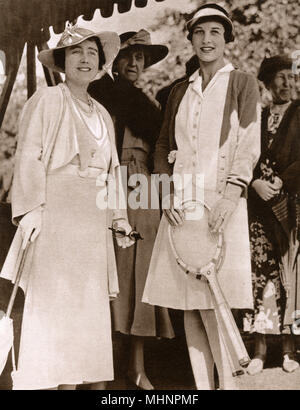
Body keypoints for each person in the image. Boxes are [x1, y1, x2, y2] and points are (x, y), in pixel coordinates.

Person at [0, 25, 134, 390]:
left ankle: (79, 382)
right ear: (62, 61)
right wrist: (32, 210)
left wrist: (119, 217)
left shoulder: (103, 114)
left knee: (86, 310)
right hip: (55, 217)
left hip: (91, 225)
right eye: (76, 52)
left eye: (92, 52)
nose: (85, 59)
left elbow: (112, 173)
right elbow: (28, 155)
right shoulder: (47, 100)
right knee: (54, 307)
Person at [142, 4, 261, 390]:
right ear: (190, 39)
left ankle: (229, 385)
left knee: (217, 304)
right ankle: (202, 387)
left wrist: (231, 194)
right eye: (199, 33)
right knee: (189, 306)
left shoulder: (243, 84)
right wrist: (165, 192)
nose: (207, 40)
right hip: (182, 205)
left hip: (221, 205)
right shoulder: (179, 91)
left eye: (215, 32)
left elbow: (248, 142)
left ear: (227, 39)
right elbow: (162, 145)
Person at [89, 30, 174, 390]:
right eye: (128, 55)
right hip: (105, 182)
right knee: (104, 269)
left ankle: (137, 367)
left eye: (141, 58)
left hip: (143, 186)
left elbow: (162, 143)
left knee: (139, 271)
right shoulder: (97, 92)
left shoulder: (148, 104)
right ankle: (99, 365)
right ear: (114, 59)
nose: (135, 64)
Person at [245, 55, 300, 375]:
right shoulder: (257, 116)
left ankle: (290, 351)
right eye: (279, 78)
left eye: (290, 76)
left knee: (291, 274)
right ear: (265, 84)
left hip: (292, 207)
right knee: (261, 274)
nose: (287, 83)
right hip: (259, 207)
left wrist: (282, 181)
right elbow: (244, 154)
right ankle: (261, 349)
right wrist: (254, 183)